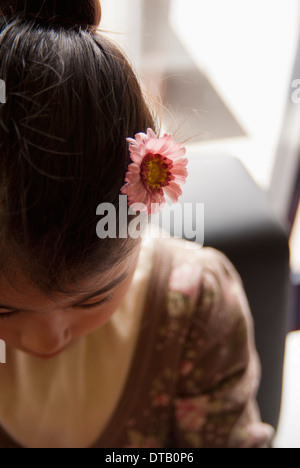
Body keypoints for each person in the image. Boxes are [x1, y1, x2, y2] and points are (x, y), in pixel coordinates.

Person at [0, 0, 274, 448]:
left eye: (95, 298)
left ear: (145, 212)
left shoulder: (194, 309)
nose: (47, 340)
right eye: (4, 311)